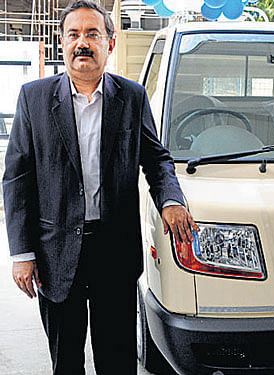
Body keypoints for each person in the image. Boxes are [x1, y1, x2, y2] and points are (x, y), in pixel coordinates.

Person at [2, 1, 198, 374]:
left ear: (110, 43)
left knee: (118, 358)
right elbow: (17, 177)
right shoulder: (34, 98)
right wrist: (22, 252)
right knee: (67, 361)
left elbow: (156, 159)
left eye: (93, 34)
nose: (82, 43)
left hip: (114, 252)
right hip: (54, 252)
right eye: (74, 34)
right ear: (62, 43)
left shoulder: (132, 97)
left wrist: (171, 200)